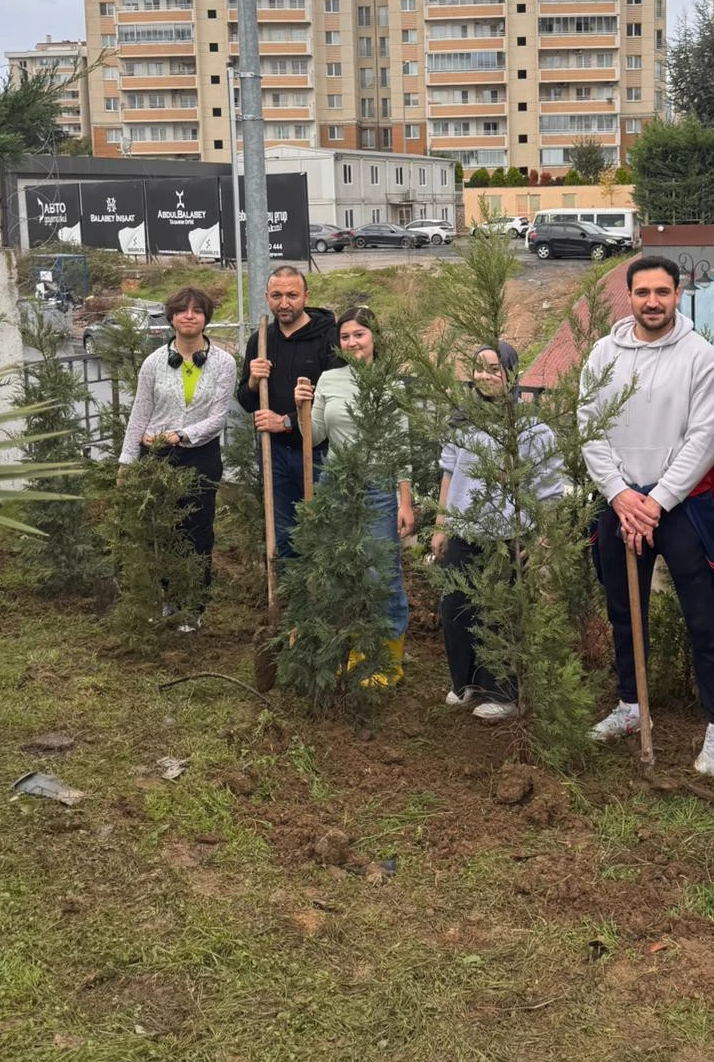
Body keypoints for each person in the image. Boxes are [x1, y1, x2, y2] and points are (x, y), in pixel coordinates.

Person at [579, 255, 714, 773]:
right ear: (628, 296)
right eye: (642, 292)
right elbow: (590, 426)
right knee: (624, 612)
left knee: (703, 618)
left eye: (662, 292)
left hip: (681, 507)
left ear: (677, 294)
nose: (652, 302)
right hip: (621, 505)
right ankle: (631, 704)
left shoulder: (703, 359)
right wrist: (619, 495)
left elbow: (703, 440)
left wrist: (656, 500)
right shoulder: (603, 355)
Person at [434, 342, 565, 723]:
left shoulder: (532, 429)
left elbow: (548, 490)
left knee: (501, 613)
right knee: (455, 608)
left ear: (512, 373)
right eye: (478, 368)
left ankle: (504, 693)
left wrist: (540, 540)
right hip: (463, 530)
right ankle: (465, 682)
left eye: (495, 369)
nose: (485, 376)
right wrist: (441, 524)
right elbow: (449, 472)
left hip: (508, 536)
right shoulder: (462, 420)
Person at [293, 305, 414, 683]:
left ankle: (387, 660)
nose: (352, 342)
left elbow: (400, 445)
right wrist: (301, 406)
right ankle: (345, 648)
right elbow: (313, 436)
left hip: (378, 488)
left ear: (374, 337)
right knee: (336, 571)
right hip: (335, 487)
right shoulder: (329, 379)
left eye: (359, 334)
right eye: (345, 336)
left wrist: (405, 501)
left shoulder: (391, 383)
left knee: (381, 574)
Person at [119, 286, 238, 628]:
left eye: (197, 311)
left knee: (197, 533)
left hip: (200, 457)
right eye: (182, 310)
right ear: (171, 317)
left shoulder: (224, 363)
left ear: (205, 318)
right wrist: (127, 461)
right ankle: (167, 599)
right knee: (161, 530)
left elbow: (218, 418)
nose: (189, 316)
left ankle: (193, 607)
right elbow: (140, 413)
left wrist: (181, 434)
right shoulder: (154, 363)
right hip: (156, 457)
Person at [237, 264, 337, 561]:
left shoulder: (329, 338)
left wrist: (286, 422)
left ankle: (322, 589)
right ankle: (291, 589)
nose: (284, 303)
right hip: (275, 453)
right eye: (276, 295)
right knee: (284, 534)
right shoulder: (260, 341)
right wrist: (253, 381)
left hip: (319, 452)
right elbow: (246, 402)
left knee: (325, 530)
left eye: (292, 295)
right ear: (267, 297)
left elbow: (335, 402)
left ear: (306, 296)